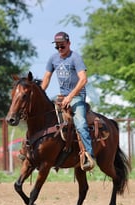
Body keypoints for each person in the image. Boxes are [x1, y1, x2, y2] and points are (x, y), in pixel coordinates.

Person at [41, 31, 95, 171]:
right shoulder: (53, 59)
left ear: (69, 44)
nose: (60, 49)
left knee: (81, 123)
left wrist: (70, 97)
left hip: (76, 96)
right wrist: (41, 93)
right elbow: (46, 79)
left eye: (62, 46)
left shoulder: (75, 58)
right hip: (61, 96)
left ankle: (89, 155)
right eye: (57, 47)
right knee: (45, 118)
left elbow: (83, 79)